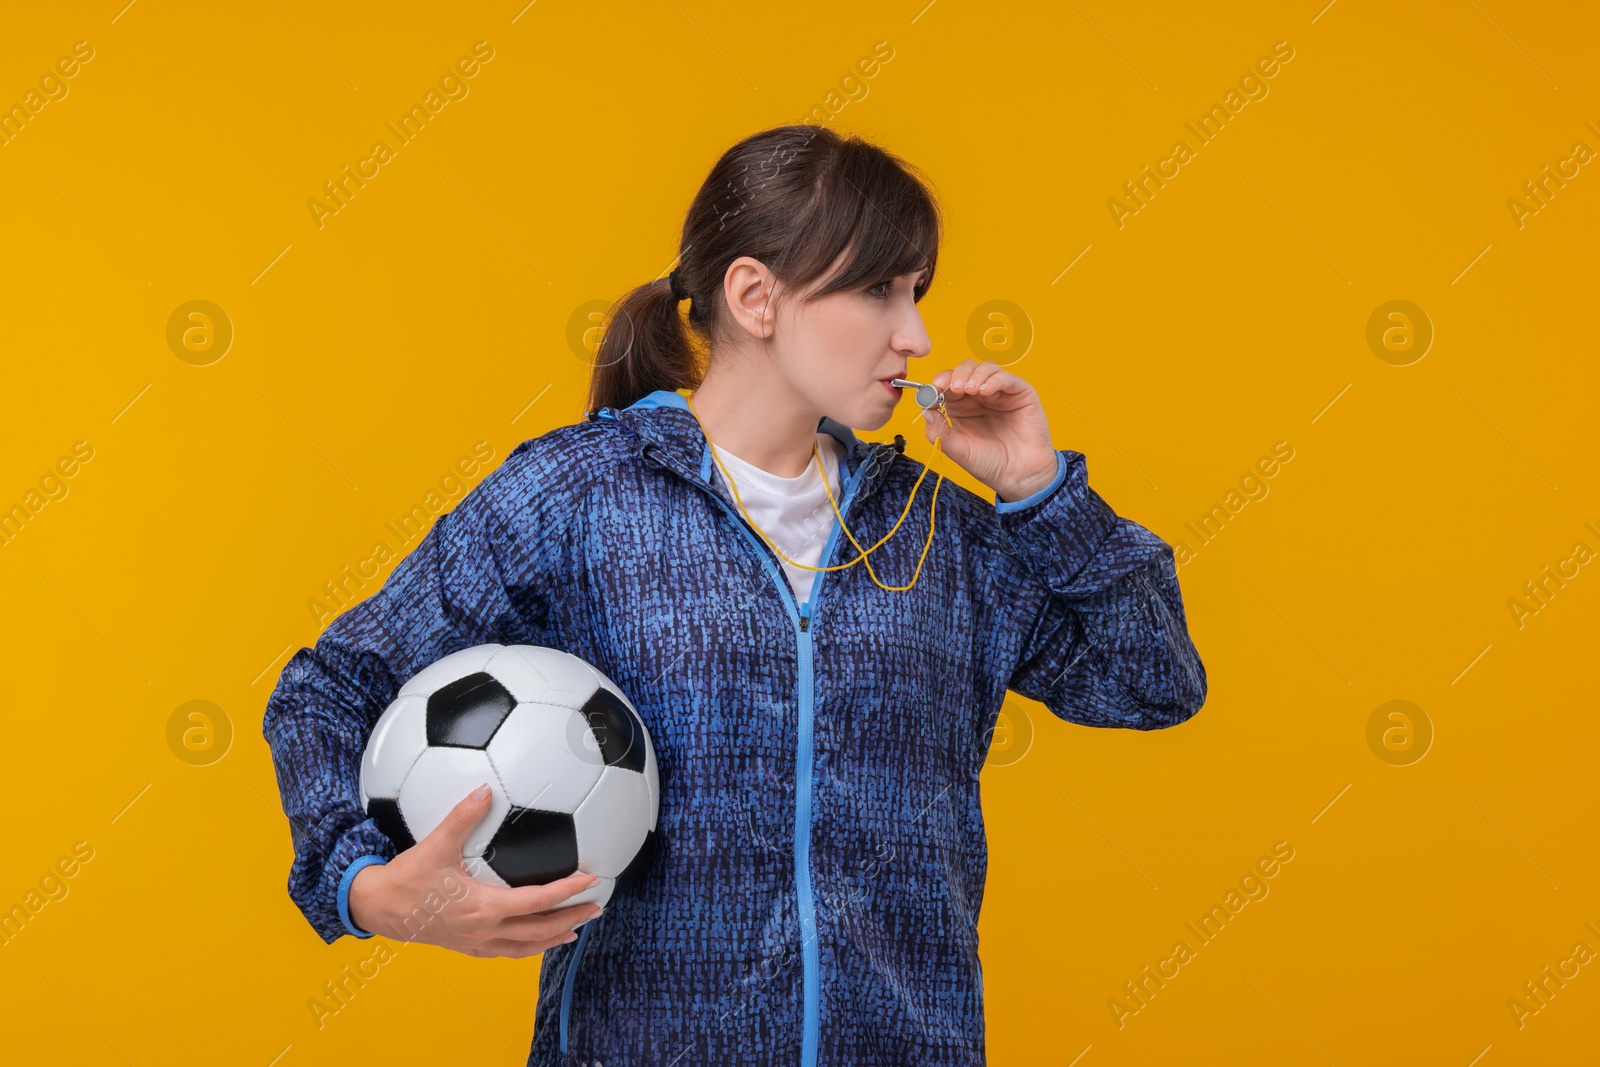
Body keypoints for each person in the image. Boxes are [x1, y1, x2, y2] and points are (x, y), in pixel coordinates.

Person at [262, 123, 1207, 1065]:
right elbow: (327, 688)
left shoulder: (937, 531)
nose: (915, 334)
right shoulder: (578, 495)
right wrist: (365, 884)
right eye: (877, 289)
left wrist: (1042, 493)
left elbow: (1154, 681)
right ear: (755, 295)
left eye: (917, 291)